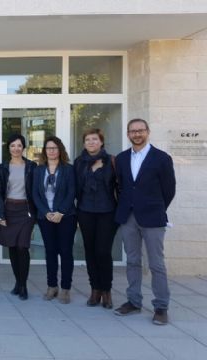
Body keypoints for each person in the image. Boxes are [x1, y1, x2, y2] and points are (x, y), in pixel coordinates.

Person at [113, 119, 176, 326]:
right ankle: (133, 301)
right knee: (132, 261)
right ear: (128, 134)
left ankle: (161, 306)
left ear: (147, 132)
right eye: (133, 131)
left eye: (140, 130)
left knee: (156, 264)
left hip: (152, 218)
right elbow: (121, 186)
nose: (137, 134)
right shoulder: (121, 159)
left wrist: (156, 208)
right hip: (128, 217)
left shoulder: (161, 158)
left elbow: (169, 190)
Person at [74, 128, 118, 309]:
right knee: (90, 251)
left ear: (101, 142)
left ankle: (106, 290)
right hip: (85, 212)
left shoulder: (112, 161)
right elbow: (77, 187)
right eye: (87, 140)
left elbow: (119, 186)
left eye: (95, 139)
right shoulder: (79, 163)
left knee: (103, 252)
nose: (91, 142)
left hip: (108, 212)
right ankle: (95, 290)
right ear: (84, 143)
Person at [32, 136, 76, 304]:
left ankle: (65, 288)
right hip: (45, 217)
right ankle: (52, 286)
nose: (51, 151)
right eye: (48, 148)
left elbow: (72, 192)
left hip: (66, 217)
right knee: (50, 252)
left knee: (65, 252)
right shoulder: (38, 170)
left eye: (54, 148)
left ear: (60, 150)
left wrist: (61, 212)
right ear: (45, 151)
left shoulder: (68, 169)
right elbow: (35, 194)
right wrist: (46, 212)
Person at [0, 134, 36, 300]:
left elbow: (35, 191)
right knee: (12, 247)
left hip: (26, 211)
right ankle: (17, 283)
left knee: (22, 247)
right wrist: (1, 214)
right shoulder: (2, 168)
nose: (16, 149)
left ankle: (24, 285)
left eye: (19, 145)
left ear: (23, 147)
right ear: (9, 148)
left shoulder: (32, 166)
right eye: (13, 146)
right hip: (9, 209)